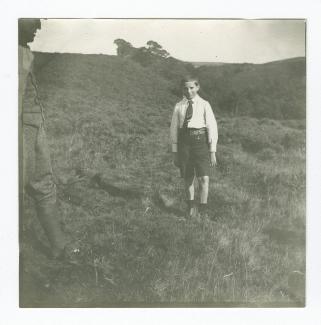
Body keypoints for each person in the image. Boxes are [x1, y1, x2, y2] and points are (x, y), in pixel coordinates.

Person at [19, 19, 68, 258]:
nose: (38, 27)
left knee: (45, 183)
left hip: (34, 125)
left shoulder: (25, 52)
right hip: (17, 129)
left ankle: (59, 245)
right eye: (32, 21)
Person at [170, 75, 218, 220]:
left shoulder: (205, 104)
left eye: (192, 87)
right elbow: (173, 129)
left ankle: (203, 209)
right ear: (182, 89)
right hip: (184, 144)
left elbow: (212, 127)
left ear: (197, 87)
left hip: (200, 143)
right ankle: (191, 207)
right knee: (188, 177)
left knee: (204, 178)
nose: (189, 91)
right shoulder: (179, 106)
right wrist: (175, 151)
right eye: (186, 88)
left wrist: (212, 151)